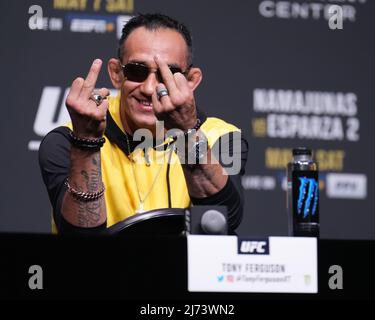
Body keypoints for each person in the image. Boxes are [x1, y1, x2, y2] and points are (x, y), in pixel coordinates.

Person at [39, 13, 248, 234]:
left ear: (191, 80)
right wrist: (87, 144)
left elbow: (227, 218)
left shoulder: (224, 137)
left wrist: (185, 132)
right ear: (116, 74)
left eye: (169, 74)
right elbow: (80, 239)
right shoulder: (66, 141)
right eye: (137, 71)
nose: (149, 88)